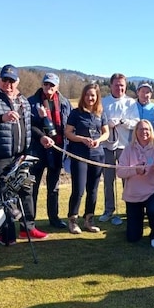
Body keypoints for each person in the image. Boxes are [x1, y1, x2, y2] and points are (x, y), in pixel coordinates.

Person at [0, 64, 48, 245]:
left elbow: (29, 125)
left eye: (12, 80)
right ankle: (4, 233)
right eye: (4, 80)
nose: (8, 83)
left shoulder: (23, 100)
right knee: (2, 194)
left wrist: (41, 138)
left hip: (21, 155)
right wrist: (1, 117)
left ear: (18, 81)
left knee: (26, 189)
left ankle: (28, 228)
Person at [28, 73, 72, 229]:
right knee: (33, 187)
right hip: (37, 150)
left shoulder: (65, 103)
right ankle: (29, 221)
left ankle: (54, 218)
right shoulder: (32, 102)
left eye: (52, 85)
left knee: (53, 187)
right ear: (42, 84)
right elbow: (29, 125)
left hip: (57, 150)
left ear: (57, 87)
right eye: (46, 84)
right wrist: (41, 136)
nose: (48, 88)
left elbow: (68, 125)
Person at [65, 83, 109, 234]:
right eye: (87, 95)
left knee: (93, 190)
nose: (90, 98)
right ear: (83, 96)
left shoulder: (101, 113)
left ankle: (89, 220)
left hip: (97, 156)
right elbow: (68, 133)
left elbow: (106, 133)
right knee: (78, 189)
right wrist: (82, 139)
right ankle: (72, 220)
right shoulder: (76, 113)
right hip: (80, 155)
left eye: (93, 95)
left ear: (97, 97)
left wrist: (99, 140)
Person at [116, 120, 154, 247]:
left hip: (153, 191)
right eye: (140, 129)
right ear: (135, 132)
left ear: (151, 132)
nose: (144, 132)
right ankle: (135, 227)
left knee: (153, 210)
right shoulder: (128, 149)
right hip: (133, 195)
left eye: (147, 129)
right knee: (133, 238)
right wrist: (134, 170)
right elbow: (120, 172)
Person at [100, 73, 140, 226]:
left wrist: (122, 121)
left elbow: (136, 122)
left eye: (122, 85)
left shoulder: (130, 103)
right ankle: (109, 210)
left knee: (128, 180)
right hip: (107, 146)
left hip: (125, 147)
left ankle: (130, 209)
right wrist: (107, 124)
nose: (119, 88)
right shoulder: (104, 102)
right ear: (111, 86)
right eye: (116, 85)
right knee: (108, 180)